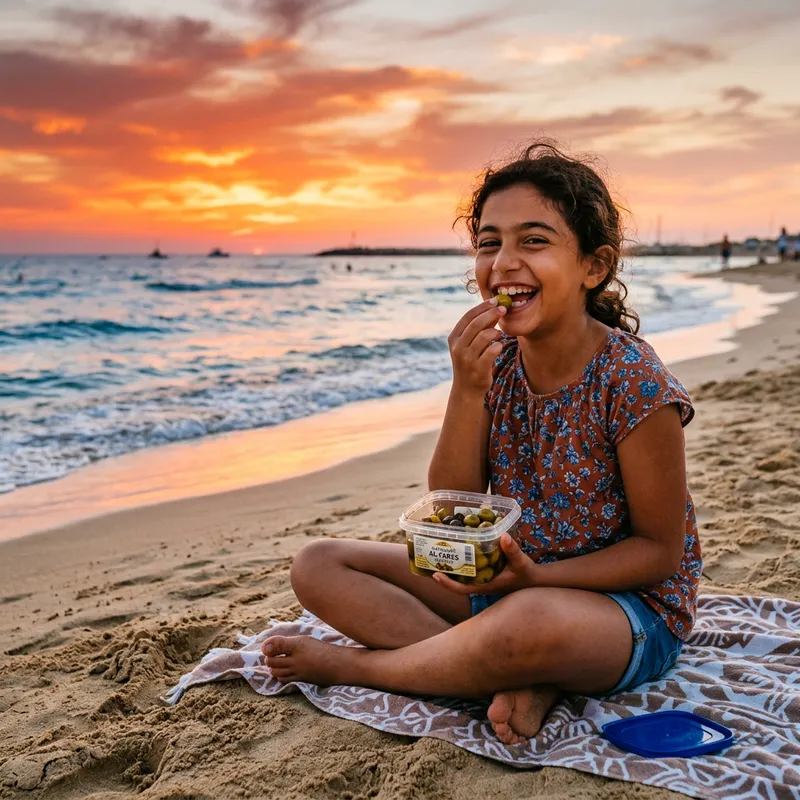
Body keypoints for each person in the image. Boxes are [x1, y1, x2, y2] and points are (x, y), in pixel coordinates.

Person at [262, 140, 701, 745]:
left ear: (593, 268)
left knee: (528, 622)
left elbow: (659, 553)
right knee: (318, 564)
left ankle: (366, 669)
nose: (504, 262)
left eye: (534, 240)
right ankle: (505, 673)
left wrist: (533, 582)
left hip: (622, 613)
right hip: (501, 583)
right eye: (489, 242)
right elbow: (452, 505)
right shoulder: (495, 366)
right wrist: (466, 390)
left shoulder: (633, 382)